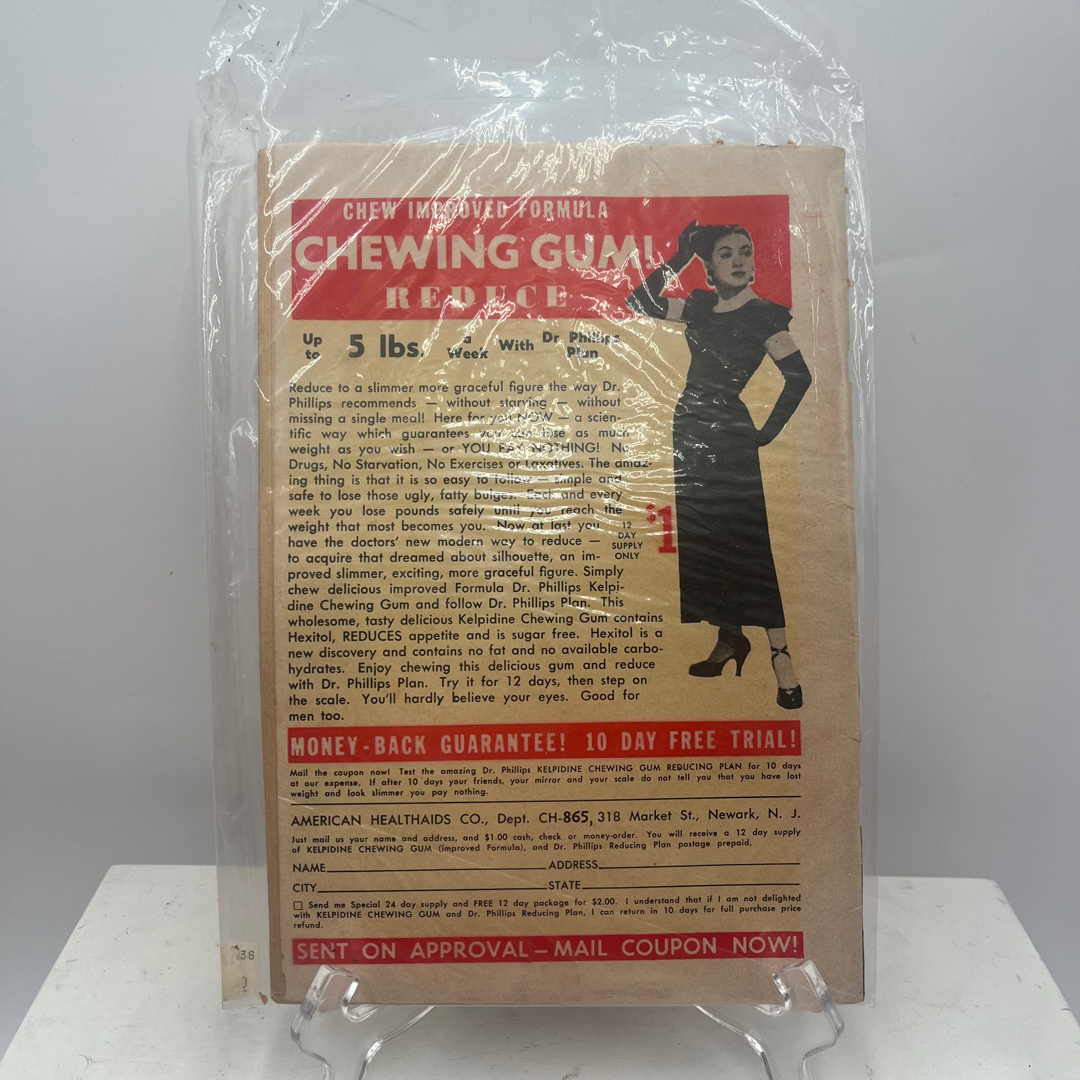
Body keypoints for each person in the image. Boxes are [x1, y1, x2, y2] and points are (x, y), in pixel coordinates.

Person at [626, 221, 811, 710]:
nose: (738, 260)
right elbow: (639, 302)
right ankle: (729, 639)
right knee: (704, 541)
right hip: (689, 429)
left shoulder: (764, 315)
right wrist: (678, 256)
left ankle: (781, 655)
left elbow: (798, 377)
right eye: (725, 253)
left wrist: (765, 434)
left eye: (745, 251)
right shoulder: (701, 308)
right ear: (708, 267)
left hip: (730, 434)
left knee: (746, 542)